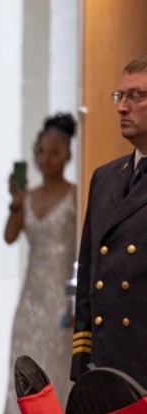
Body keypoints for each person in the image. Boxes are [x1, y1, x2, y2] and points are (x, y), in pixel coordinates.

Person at [0, 113, 77, 414]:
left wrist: (76, 299)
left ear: (68, 154)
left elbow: (79, 252)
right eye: (40, 151)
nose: (45, 158)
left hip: (63, 300)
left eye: (53, 152)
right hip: (30, 301)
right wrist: (15, 202)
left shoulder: (77, 196)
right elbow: (9, 238)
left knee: (58, 382)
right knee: (23, 381)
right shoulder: (29, 196)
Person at [72, 57, 147, 390]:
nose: (122, 108)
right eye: (120, 97)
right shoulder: (104, 178)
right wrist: (82, 362)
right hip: (107, 365)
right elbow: (90, 275)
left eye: (136, 96)